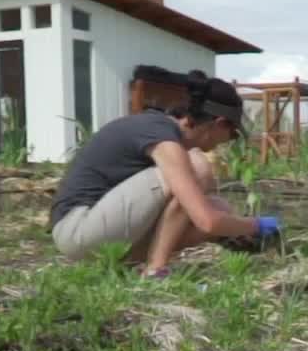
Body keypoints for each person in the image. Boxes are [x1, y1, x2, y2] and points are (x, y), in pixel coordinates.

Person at [48, 70, 279, 278]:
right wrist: (257, 224)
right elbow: (207, 222)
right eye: (233, 134)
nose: (229, 141)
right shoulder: (163, 138)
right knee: (197, 170)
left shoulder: (164, 132)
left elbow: (207, 217)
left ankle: (135, 265)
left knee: (219, 207)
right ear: (218, 123)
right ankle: (156, 271)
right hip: (77, 229)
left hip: (101, 232)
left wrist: (236, 226)